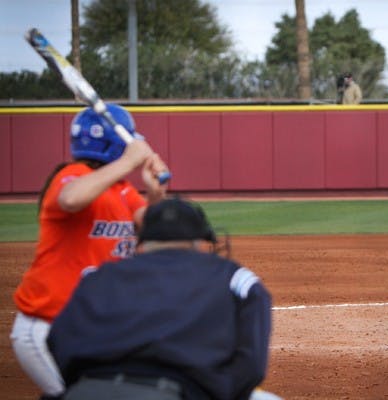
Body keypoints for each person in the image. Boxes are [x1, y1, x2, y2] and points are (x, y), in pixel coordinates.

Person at [11, 104, 168, 398]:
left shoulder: (120, 189)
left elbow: (151, 229)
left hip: (88, 327)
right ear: (115, 145)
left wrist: (156, 195)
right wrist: (127, 161)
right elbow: (71, 199)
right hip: (47, 327)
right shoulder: (71, 176)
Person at [46, 198, 273, 400]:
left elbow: (57, 339)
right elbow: (251, 365)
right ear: (197, 239)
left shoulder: (100, 276)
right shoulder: (232, 276)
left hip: (86, 391)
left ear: (143, 240)